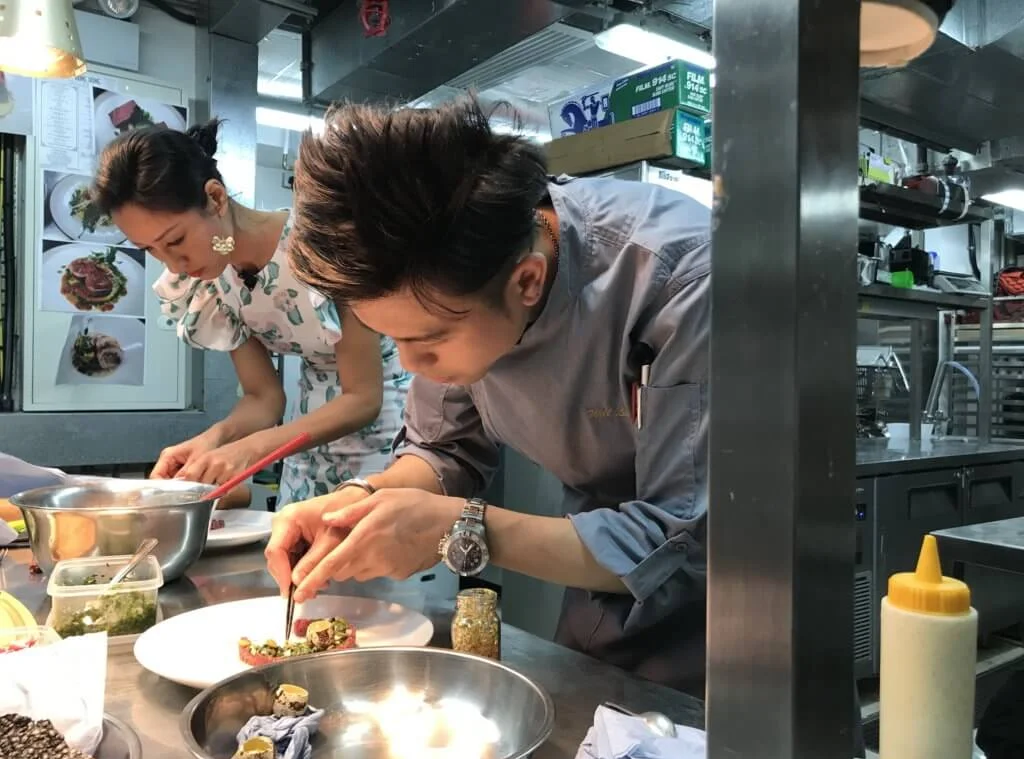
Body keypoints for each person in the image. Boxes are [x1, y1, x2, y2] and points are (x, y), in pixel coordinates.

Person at [264, 97, 710, 695]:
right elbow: (443, 451)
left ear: (526, 281)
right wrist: (357, 504)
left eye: (428, 340)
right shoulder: (452, 278)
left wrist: (461, 528)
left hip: (739, 610)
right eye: (393, 339)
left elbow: (681, 539)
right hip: (599, 588)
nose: (410, 365)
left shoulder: (681, 278)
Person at [91, 120, 410, 506]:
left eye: (175, 240)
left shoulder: (322, 248)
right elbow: (264, 397)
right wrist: (212, 441)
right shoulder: (216, 275)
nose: (173, 265)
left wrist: (253, 448)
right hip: (305, 446)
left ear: (215, 197)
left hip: (388, 443)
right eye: (151, 249)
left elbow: (362, 398)